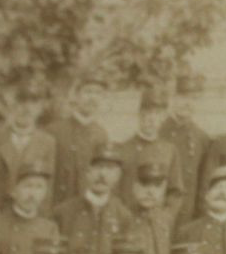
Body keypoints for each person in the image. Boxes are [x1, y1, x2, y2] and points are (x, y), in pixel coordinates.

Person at [51, 142, 137, 254]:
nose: (102, 175)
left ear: (118, 176)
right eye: (98, 167)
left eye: (110, 169)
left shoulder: (124, 216)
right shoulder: (64, 213)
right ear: (88, 172)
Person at [0, 78, 56, 211]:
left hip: (29, 215)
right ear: (12, 104)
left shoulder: (47, 142)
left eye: (34, 103)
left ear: (41, 108)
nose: (27, 108)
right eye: (22, 101)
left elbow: (48, 191)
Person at [118, 83, 184, 213]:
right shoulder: (123, 149)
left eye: (157, 114)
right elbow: (116, 192)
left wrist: (165, 218)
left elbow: (175, 192)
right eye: (147, 113)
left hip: (156, 222)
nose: (151, 119)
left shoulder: (169, 150)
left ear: (163, 117)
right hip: (127, 219)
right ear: (139, 114)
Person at [47, 71, 109, 207]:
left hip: (84, 209)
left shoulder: (101, 135)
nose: (92, 98)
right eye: (88, 91)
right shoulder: (54, 131)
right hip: (56, 206)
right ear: (76, 95)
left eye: (98, 93)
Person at [0, 162, 58, 254]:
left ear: (45, 193)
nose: (32, 195)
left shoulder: (49, 229)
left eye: (39, 187)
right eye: (27, 186)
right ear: (14, 191)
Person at [160, 72, 211, 219]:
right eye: (182, 97)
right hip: (161, 212)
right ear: (173, 99)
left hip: (188, 214)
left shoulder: (202, 138)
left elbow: (203, 183)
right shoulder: (160, 132)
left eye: (193, 99)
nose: (187, 103)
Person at [133, 162, 176, 254]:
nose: (150, 192)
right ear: (134, 187)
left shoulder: (166, 220)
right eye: (144, 185)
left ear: (163, 189)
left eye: (157, 186)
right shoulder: (125, 219)